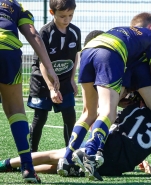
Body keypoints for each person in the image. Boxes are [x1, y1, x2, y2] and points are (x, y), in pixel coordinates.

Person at [57, 12, 151, 180]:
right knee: (108, 112)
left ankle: (67, 159)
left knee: (89, 113)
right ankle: (90, 153)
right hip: (110, 53)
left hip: (88, 51)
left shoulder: (124, 31)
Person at [0, 103, 151, 178]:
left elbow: (111, 122)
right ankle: (23, 169)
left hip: (104, 151)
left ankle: (7, 163)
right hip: (115, 168)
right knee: (59, 166)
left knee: (56, 155)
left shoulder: (137, 110)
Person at [0, 0, 60, 183]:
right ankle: (27, 167)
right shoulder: (14, 5)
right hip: (7, 50)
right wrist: (49, 68)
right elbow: (33, 34)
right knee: (16, 110)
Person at [27, 0, 81, 152]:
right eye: (63, 16)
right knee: (40, 117)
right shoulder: (45, 32)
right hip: (43, 81)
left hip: (64, 80)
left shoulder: (75, 31)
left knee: (70, 115)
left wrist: (72, 79)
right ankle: (31, 154)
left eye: (70, 15)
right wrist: (51, 88)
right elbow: (42, 63)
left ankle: (70, 154)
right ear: (52, 13)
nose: (67, 19)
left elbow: (74, 56)